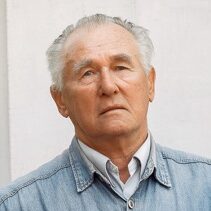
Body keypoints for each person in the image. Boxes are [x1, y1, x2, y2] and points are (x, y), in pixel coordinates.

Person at [0, 14, 211, 211]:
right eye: (88, 73)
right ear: (60, 100)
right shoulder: (18, 204)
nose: (109, 87)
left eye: (120, 67)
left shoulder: (205, 186)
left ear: (150, 83)